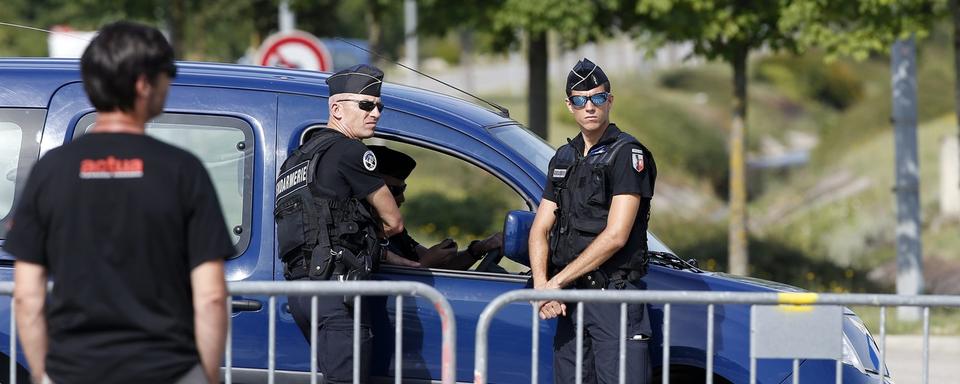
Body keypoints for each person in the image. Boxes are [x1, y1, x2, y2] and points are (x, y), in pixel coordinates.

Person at [4, 21, 231, 384]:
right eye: (167, 75)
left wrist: (45, 373)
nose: (169, 85)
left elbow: (27, 296)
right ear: (143, 84)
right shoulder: (182, 171)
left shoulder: (51, 171)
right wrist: (204, 376)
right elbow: (212, 297)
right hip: (166, 369)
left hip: (73, 370)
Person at [275, 64, 414, 384]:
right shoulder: (350, 150)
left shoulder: (297, 160)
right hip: (337, 293)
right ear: (336, 109)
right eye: (366, 105)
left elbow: (317, 224)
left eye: (379, 106)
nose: (375, 113)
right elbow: (393, 221)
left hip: (300, 293)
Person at [528, 58, 656, 384]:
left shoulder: (626, 154)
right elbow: (540, 229)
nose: (590, 107)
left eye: (598, 98)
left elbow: (616, 235)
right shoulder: (563, 157)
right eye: (580, 100)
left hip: (612, 298)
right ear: (569, 105)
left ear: (610, 101)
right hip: (571, 301)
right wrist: (544, 286)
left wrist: (555, 284)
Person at [368, 145, 503, 270]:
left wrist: (477, 249)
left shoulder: (394, 231)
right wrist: (425, 264)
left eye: (403, 189)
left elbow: (443, 267)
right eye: (395, 191)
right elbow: (391, 285)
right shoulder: (360, 234)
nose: (402, 198)